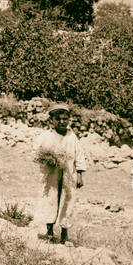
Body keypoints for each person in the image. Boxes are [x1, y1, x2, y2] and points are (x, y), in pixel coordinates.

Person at [35, 104, 88, 244]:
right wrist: (47, 160)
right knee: (50, 200)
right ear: (51, 120)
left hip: (68, 175)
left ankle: (64, 234)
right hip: (51, 175)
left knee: (67, 202)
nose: (62, 122)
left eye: (65, 119)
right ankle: (49, 232)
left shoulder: (72, 137)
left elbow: (80, 156)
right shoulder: (45, 136)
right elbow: (37, 152)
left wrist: (80, 175)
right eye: (58, 119)